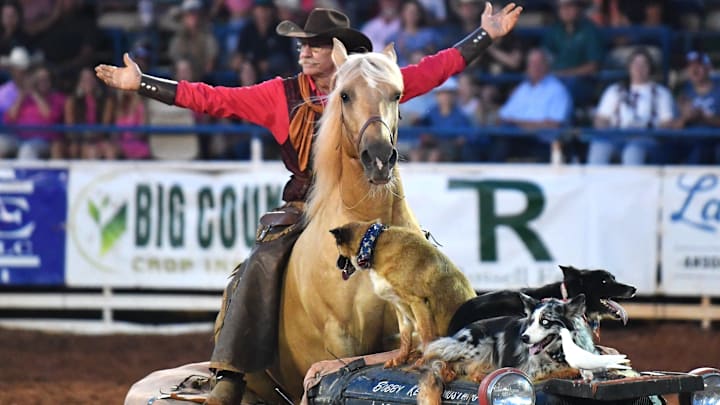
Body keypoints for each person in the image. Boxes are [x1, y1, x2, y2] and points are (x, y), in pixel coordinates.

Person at [95, 5, 523, 404]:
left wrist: (485, 34)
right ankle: (231, 372)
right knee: (260, 264)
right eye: (302, 44)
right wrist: (143, 84)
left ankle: (466, 352)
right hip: (306, 207)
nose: (304, 51)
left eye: (315, 44)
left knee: (431, 259)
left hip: (381, 204)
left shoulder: (368, 86)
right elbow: (214, 98)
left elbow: (435, 69)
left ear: (338, 51)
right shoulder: (280, 96)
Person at [588, 47, 674, 165]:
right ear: (629, 67)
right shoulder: (614, 90)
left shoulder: (661, 93)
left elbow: (667, 122)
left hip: (646, 138)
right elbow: (601, 118)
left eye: (644, 64)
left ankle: (632, 183)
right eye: (635, 64)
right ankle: (595, 183)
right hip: (617, 135)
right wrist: (607, 129)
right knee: (599, 146)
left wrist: (647, 130)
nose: (639, 68)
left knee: (633, 152)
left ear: (650, 68)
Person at [492, 47, 572, 162]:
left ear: (546, 65)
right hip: (515, 137)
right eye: (531, 63)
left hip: (541, 143)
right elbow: (502, 116)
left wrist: (518, 123)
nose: (534, 67)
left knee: (502, 144)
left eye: (537, 63)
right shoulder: (522, 88)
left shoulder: (557, 90)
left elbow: (554, 125)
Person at [542, 0, 604, 108]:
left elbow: (593, 65)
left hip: (582, 82)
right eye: (561, 7)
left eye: (569, 6)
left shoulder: (589, 30)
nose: (565, 10)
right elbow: (544, 58)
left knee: (569, 85)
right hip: (554, 79)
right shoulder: (554, 30)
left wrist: (566, 74)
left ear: (577, 7)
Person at [670, 51, 720, 164]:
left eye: (699, 66)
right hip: (690, 144)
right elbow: (675, 125)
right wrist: (685, 119)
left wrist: (703, 117)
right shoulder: (683, 94)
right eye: (690, 66)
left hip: (715, 142)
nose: (694, 70)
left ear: (708, 67)